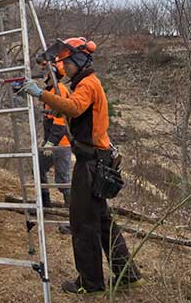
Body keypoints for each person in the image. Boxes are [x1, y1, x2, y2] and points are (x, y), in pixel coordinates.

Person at [22, 37, 143, 295]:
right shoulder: (85, 83)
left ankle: (91, 283)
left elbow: (75, 108)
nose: (64, 65)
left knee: (82, 223)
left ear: (78, 60)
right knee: (102, 222)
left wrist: (40, 93)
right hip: (96, 160)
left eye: (66, 61)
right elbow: (73, 112)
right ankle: (127, 273)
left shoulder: (87, 84)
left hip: (90, 164)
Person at [38, 61, 72, 210]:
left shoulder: (60, 90)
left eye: (47, 71)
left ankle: (72, 216)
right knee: (39, 168)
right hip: (50, 142)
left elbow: (61, 121)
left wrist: (51, 143)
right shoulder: (49, 91)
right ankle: (45, 205)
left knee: (63, 180)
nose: (45, 74)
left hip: (61, 144)